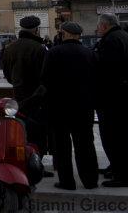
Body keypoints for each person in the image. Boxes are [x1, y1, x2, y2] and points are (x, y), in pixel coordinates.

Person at [40, 22, 98, 190]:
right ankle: (90, 180)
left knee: (62, 145)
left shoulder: (54, 53)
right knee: (86, 143)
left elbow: (45, 79)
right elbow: (97, 79)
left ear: (64, 34)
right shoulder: (89, 53)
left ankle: (67, 181)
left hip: (59, 107)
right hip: (83, 107)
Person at [95, 14, 128, 187]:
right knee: (126, 137)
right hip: (127, 96)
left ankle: (124, 176)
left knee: (119, 137)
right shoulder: (122, 36)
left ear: (105, 25)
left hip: (117, 98)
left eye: (99, 26)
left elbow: (108, 70)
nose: (97, 29)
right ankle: (121, 169)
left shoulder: (111, 40)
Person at [0, 15, 49, 155]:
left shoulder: (10, 48)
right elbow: (45, 76)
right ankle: (36, 161)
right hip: (36, 98)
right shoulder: (39, 48)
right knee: (38, 132)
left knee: (22, 130)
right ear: (36, 30)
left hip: (19, 97)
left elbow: (8, 74)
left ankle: (24, 161)